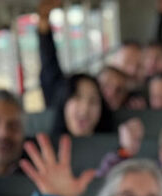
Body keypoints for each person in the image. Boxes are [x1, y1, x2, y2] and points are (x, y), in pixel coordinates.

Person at [35, 0, 116, 139]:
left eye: (93, 101)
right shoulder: (47, 151)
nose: (85, 108)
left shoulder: (114, 153)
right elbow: (49, 65)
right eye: (76, 97)